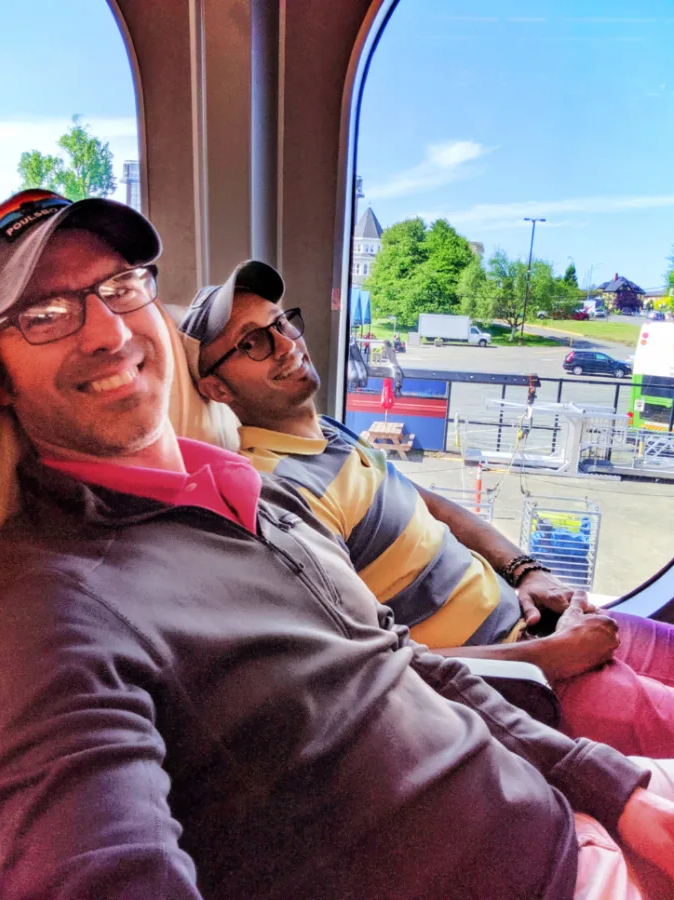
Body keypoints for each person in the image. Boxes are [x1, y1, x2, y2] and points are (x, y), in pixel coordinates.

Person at [0, 191, 674, 900]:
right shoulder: (50, 609)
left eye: (120, 287)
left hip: (564, 806)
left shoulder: (262, 499)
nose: (107, 331)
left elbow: (403, 662)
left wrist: (609, 784)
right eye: (44, 315)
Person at [182, 259, 674, 758]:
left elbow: (428, 504)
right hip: (521, 679)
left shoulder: (328, 431)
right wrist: (547, 658)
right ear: (217, 388)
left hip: (540, 619)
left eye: (280, 322)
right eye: (253, 342)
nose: (287, 343)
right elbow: (372, 668)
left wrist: (526, 571)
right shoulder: (278, 495)